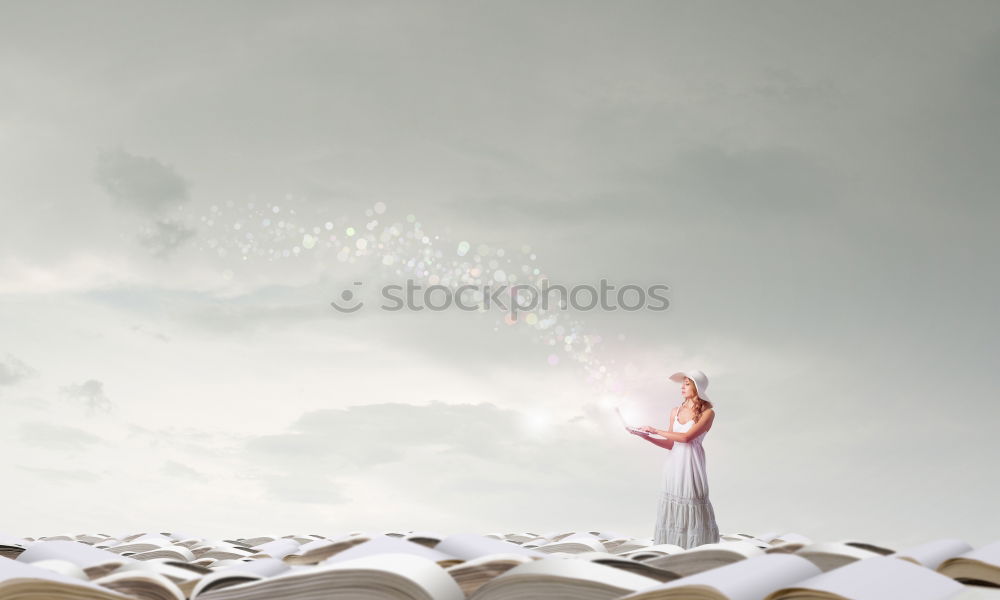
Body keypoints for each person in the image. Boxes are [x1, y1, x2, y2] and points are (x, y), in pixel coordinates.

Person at [631, 369, 721, 549]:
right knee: (673, 504)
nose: (682, 387)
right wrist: (645, 436)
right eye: (683, 383)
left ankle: (696, 550)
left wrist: (654, 429)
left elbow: (686, 438)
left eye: (687, 384)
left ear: (697, 387)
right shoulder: (675, 411)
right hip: (674, 464)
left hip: (691, 465)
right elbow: (671, 443)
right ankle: (672, 549)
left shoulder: (708, 413)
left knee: (692, 502)